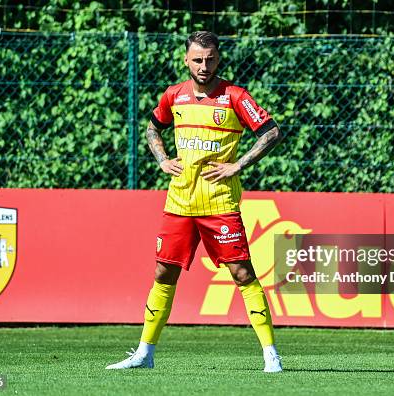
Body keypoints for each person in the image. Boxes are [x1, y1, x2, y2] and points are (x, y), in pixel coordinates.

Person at [106, 31, 283, 373]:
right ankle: (145, 354)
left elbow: (271, 131)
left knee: (243, 273)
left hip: (219, 203)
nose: (204, 66)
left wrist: (238, 165)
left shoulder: (234, 96)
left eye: (210, 59)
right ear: (186, 60)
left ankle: (270, 355)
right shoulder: (174, 95)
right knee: (163, 271)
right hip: (180, 202)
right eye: (198, 59)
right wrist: (161, 160)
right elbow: (152, 129)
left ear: (219, 59)